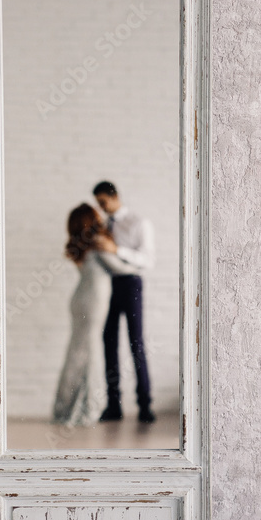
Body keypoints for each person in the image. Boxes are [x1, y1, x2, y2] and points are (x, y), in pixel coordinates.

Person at [52, 204, 136, 427]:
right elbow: (121, 268)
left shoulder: (79, 245)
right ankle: (87, 407)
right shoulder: (98, 243)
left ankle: (65, 407)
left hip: (80, 298)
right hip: (94, 300)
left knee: (77, 351)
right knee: (91, 351)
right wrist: (139, 265)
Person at [92, 181, 156, 424]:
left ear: (114, 196)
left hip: (131, 284)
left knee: (136, 342)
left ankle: (145, 405)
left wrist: (115, 249)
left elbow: (148, 260)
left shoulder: (139, 222)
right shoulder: (103, 225)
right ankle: (113, 405)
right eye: (98, 204)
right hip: (109, 285)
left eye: (103, 202)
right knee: (108, 341)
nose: (101, 207)